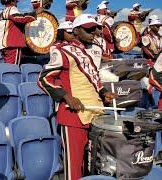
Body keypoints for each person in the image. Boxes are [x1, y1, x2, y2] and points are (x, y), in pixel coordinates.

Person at [38, 14, 115, 180]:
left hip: (95, 115)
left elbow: (94, 79)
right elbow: (44, 79)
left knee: (93, 163)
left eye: (95, 29)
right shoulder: (63, 51)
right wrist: (66, 97)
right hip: (74, 118)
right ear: (76, 31)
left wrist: (104, 93)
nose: (93, 33)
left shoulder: (92, 51)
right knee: (74, 168)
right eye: (88, 30)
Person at [0, 0, 42, 64]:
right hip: (13, 44)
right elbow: (20, 18)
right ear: (12, 1)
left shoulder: (3, 11)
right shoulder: (12, 9)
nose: (17, 3)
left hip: (4, 45)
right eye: (16, 1)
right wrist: (35, 13)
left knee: (7, 67)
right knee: (13, 69)